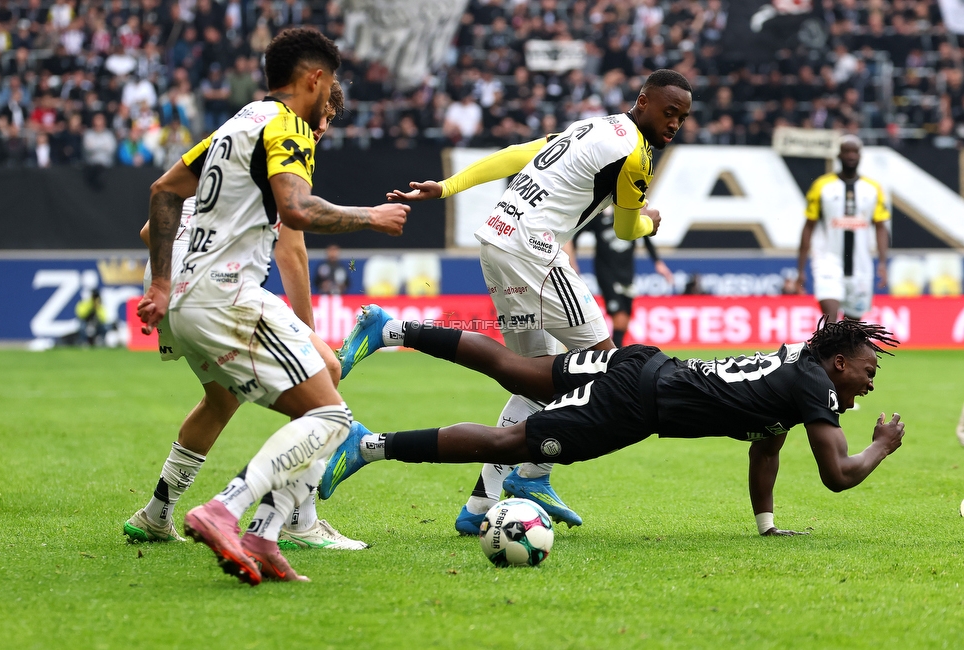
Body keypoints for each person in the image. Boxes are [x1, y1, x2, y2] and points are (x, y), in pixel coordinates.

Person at [344, 69, 691, 535]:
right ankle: (532, 475)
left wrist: (446, 187)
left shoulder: (592, 126)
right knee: (609, 370)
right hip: (533, 248)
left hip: (497, 236)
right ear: (643, 101)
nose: (674, 124)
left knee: (534, 379)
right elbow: (627, 230)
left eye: (682, 118)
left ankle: (479, 505)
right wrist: (650, 219)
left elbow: (517, 155)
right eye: (669, 113)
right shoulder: (636, 155)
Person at [136, 28, 410, 585]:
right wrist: (371, 216)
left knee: (320, 379)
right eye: (328, 86)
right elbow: (298, 211)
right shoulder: (287, 125)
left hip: (189, 298)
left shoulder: (240, 120)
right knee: (330, 418)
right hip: (226, 296)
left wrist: (161, 285)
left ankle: (265, 530)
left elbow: (163, 192)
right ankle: (225, 511)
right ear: (316, 79)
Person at [323, 310, 905, 537]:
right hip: (634, 403)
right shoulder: (815, 387)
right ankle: (367, 446)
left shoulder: (795, 369)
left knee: (517, 371)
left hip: (640, 360)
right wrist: (880, 445)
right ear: (838, 363)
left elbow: (765, 448)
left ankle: (392, 330)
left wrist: (765, 524)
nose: (871, 380)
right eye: (867, 368)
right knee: (509, 441)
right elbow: (837, 475)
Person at [124, 78, 365, 552]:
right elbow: (292, 253)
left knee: (220, 402)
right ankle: (298, 519)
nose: (323, 129)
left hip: (179, 294)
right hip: (219, 292)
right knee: (328, 376)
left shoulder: (233, 135)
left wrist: (164, 281)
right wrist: (308, 339)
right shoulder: (285, 146)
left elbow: (151, 227)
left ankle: (156, 513)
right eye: (327, 117)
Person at [790, 136, 890, 322]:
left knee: (852, 330)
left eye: (855, 152)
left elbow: (881, 227)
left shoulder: (873, 188)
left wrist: (883, 263)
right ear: (839, 155)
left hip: (861, 265)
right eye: (847, 151)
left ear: (860, 156)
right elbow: (808, 226)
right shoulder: (822, 186)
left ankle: (840, 351)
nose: (851, 156)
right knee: (830, 322)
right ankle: (824, 348)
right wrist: (801, 269)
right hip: (828, 260)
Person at [569, 213, 673, 348]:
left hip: (626, 274)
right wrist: (572, 261)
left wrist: (658, 262)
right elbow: (576, 234)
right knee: (619, 319)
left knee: (624, 322)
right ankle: (615, 357)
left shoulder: (630, 214)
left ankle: (612, 353)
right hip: (606, 274)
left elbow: (647, 238)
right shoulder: (598, 216)